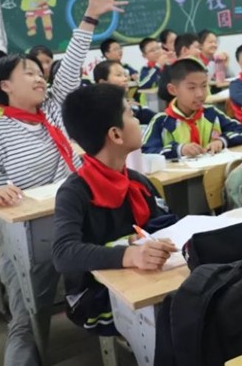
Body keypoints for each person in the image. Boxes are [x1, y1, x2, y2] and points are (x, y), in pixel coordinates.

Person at [0, 0, 124, 366]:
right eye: (28, 73)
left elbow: (72, 61)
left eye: (39, 71)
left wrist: (90, 16)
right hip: (30, 231)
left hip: (78, 215)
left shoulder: (53, 107)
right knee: (27, 320)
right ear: (5, 86)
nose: (39, 77)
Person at [53, 84, 177, 334]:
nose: (138, 120)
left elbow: (162, 224)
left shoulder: (137, 181)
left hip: (146, 281)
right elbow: (63, 253)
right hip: (96, 297)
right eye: (130, 114)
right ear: (116, 135)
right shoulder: (74, 192)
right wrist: (129, 255)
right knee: (177, 319)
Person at [142, 58, 242, 159]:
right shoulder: (161, 121)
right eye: (191, 88)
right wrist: (179, 149)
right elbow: (146, 152)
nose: (200, 94)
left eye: (204, 86)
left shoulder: (211, 114)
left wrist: (222, 141)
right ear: (173, 90)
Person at [93, 60, 156, 124]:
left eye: (125, 75)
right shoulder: (99, 111)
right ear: (103, 82)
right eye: (118, 75)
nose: (125, 79)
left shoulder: (131, 107)